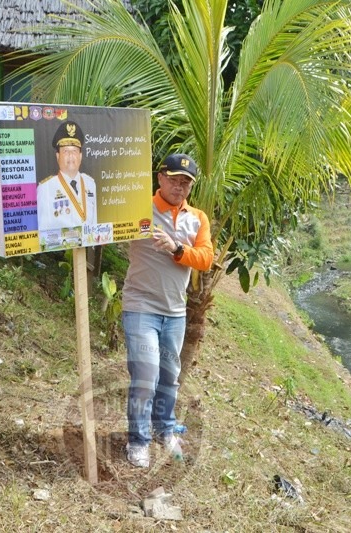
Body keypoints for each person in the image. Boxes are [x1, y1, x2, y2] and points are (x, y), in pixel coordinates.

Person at [122, 154, 213, 468]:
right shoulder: (138, 208)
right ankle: (138, 440)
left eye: (186, 182)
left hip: (175, 311)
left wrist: (176, 248)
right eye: (174, 179)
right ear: (160, 178)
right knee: (145, 374)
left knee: (169, 376)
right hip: (140, 306)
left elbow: (206, 258)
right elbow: (107, 228)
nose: (180, 186)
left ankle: (164, 428)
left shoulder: (197, 218)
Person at [36, 120, 97, 232]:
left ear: (81, 156)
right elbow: (42, 231)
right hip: (60, 249)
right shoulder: (45, 188)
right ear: (57, 156)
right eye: (65, 151)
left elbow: (95, 222)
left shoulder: (90, 184)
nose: (70, 156)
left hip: (88, 248)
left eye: (74, 151)